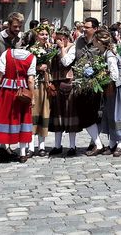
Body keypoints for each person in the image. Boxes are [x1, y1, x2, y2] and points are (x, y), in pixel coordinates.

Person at [0, 36, 37, 164]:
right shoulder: (31, 57)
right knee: (23, 120)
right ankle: (22, 154)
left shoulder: (7, 53)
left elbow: (0, 74)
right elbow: (30, 79)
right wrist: (33, 96)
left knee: (1, 119)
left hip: (6, 91)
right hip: (22, 93)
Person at [74, 17, 106, 156]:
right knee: (85, 114)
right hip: (82, 82)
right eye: (84, 27)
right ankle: (97, 142)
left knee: (95, 114)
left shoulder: (100, 42)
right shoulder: (79, 41)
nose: (84, 29)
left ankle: (96, 143)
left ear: (95, 29)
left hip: (96, 83)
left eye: (87, 27)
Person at [48, 28, 80, 156]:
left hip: (68, 84)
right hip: (56, 83)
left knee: (70, 115)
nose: (59, 41)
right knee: (58, 116)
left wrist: (62, 49)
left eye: (62, 38)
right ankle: (57, 145)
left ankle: (72, 146)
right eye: (58, 38)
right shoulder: (54, 48)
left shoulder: (72, 48)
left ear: (67, 38)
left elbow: (66, 62)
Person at [99, 30, 121, 156]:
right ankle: (112, 143)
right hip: (111, 88)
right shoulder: (105, 53)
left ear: (100, 42)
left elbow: (114, 74)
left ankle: (120, 144)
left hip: (117, 87)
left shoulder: (110, 55)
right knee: (110, 114)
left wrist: (101, 77)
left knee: (119, 115)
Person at [27, 24, 55, 157]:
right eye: (42, 34)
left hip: (46, 83)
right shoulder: (31, 49)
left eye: (46, 34)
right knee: (34, 112)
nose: (44, 37)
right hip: (36, 83)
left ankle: (42, 145)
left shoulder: (49, 49)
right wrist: (37, 67)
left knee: (45, 112)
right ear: (36, 35)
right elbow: (26, 67)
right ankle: (30, 146)